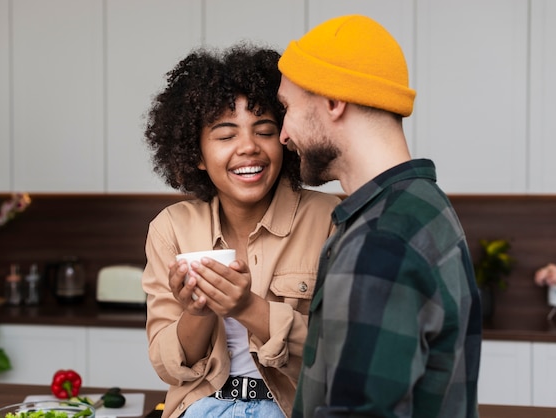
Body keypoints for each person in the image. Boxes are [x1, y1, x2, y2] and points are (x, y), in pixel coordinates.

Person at [276, 15, 482, 418]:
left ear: (334, 101)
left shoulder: (381, 241)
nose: (283, 134)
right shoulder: (422, 204)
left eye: (287, 107)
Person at [141, 43, 340, 418]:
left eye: (264, 131)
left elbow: (342, 354)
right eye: (226, 135)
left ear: (285, 139)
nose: (249, 147)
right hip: (200, 407)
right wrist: (198, 313)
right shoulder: (171, 228)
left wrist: (247, 307)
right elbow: (168, 365)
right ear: (196, 154)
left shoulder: (330, 219)